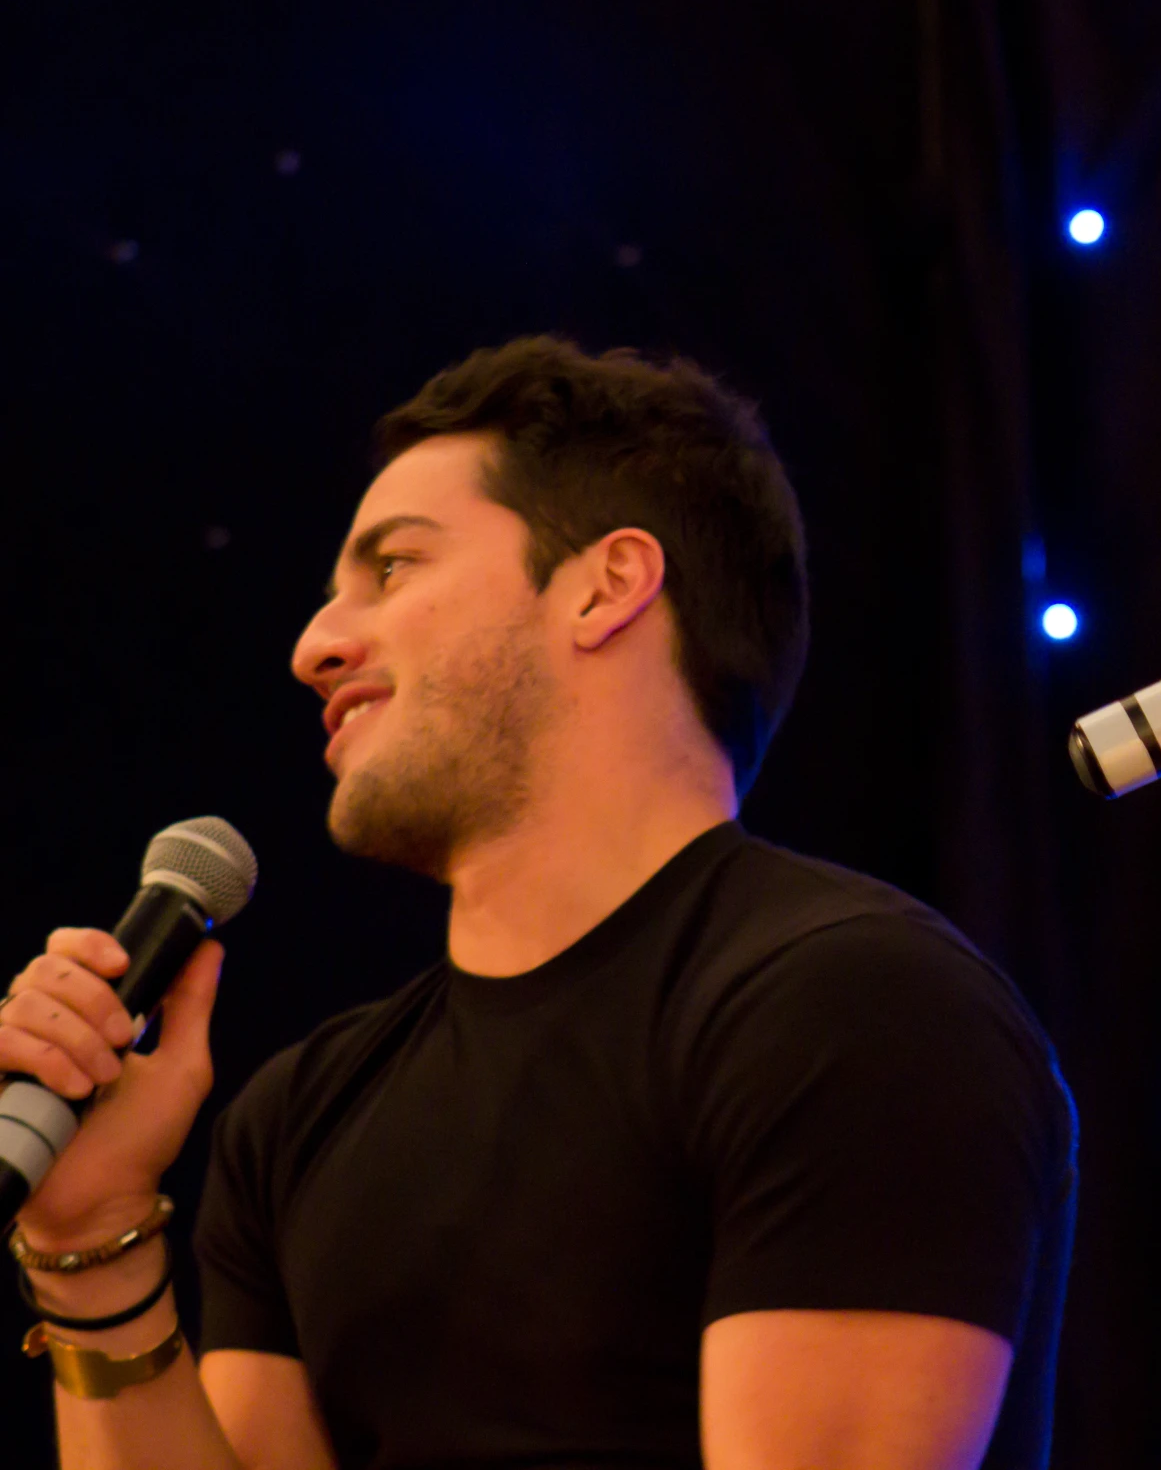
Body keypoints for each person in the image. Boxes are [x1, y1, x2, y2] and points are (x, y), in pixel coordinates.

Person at [3, 337, 1076, 1470]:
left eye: (393, 568)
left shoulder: (855, 1008)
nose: (315, 645)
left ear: (605, 586)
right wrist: (93, 1236)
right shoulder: (298, 1113)